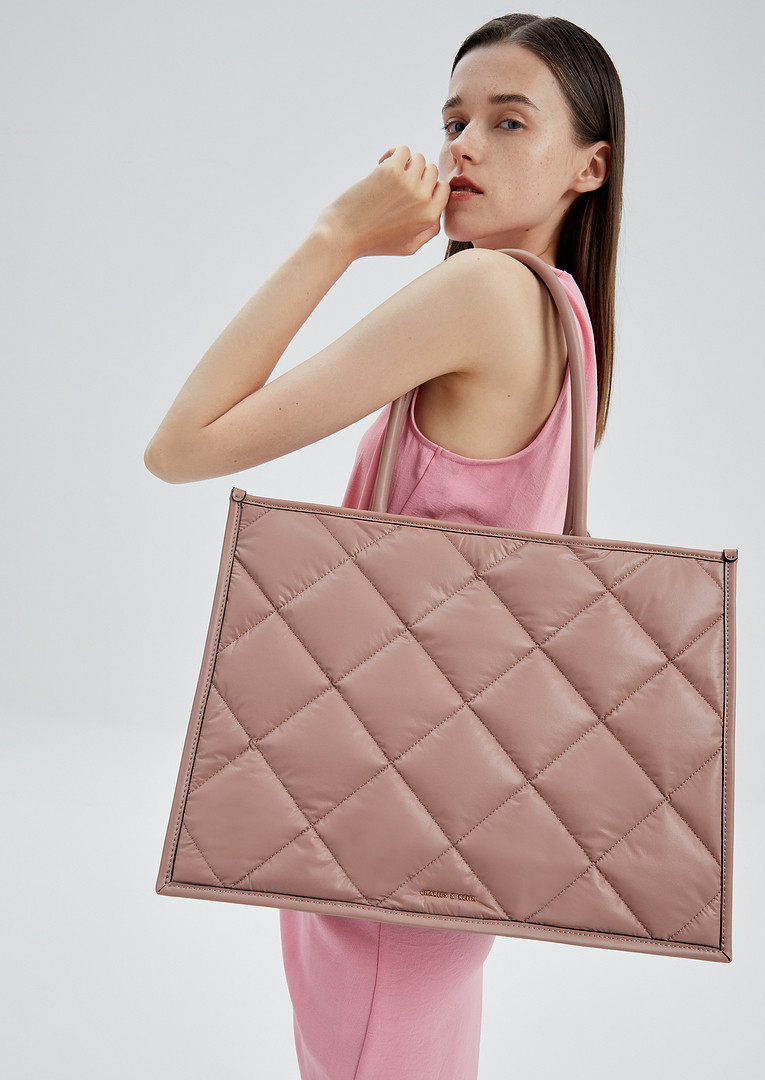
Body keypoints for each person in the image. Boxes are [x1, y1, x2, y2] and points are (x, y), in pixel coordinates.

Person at [144, 11, 624, 1079]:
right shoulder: (572, 323)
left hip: (382, 819)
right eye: (454, 120)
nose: (463, 147)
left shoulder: (483, 289)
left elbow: (181, 445)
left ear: (589, 166)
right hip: (455, 816)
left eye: (509, 121)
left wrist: (336, 235)